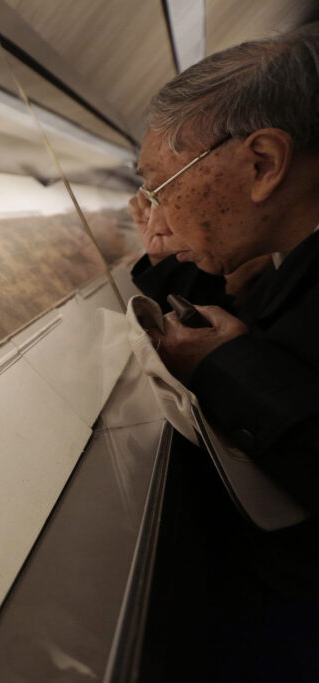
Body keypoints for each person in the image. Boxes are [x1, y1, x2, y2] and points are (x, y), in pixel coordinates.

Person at [130, 24, 319, 509]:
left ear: (262, 163)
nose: (156, 217)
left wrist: (224, 369)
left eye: (160, 188)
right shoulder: (287, 262)